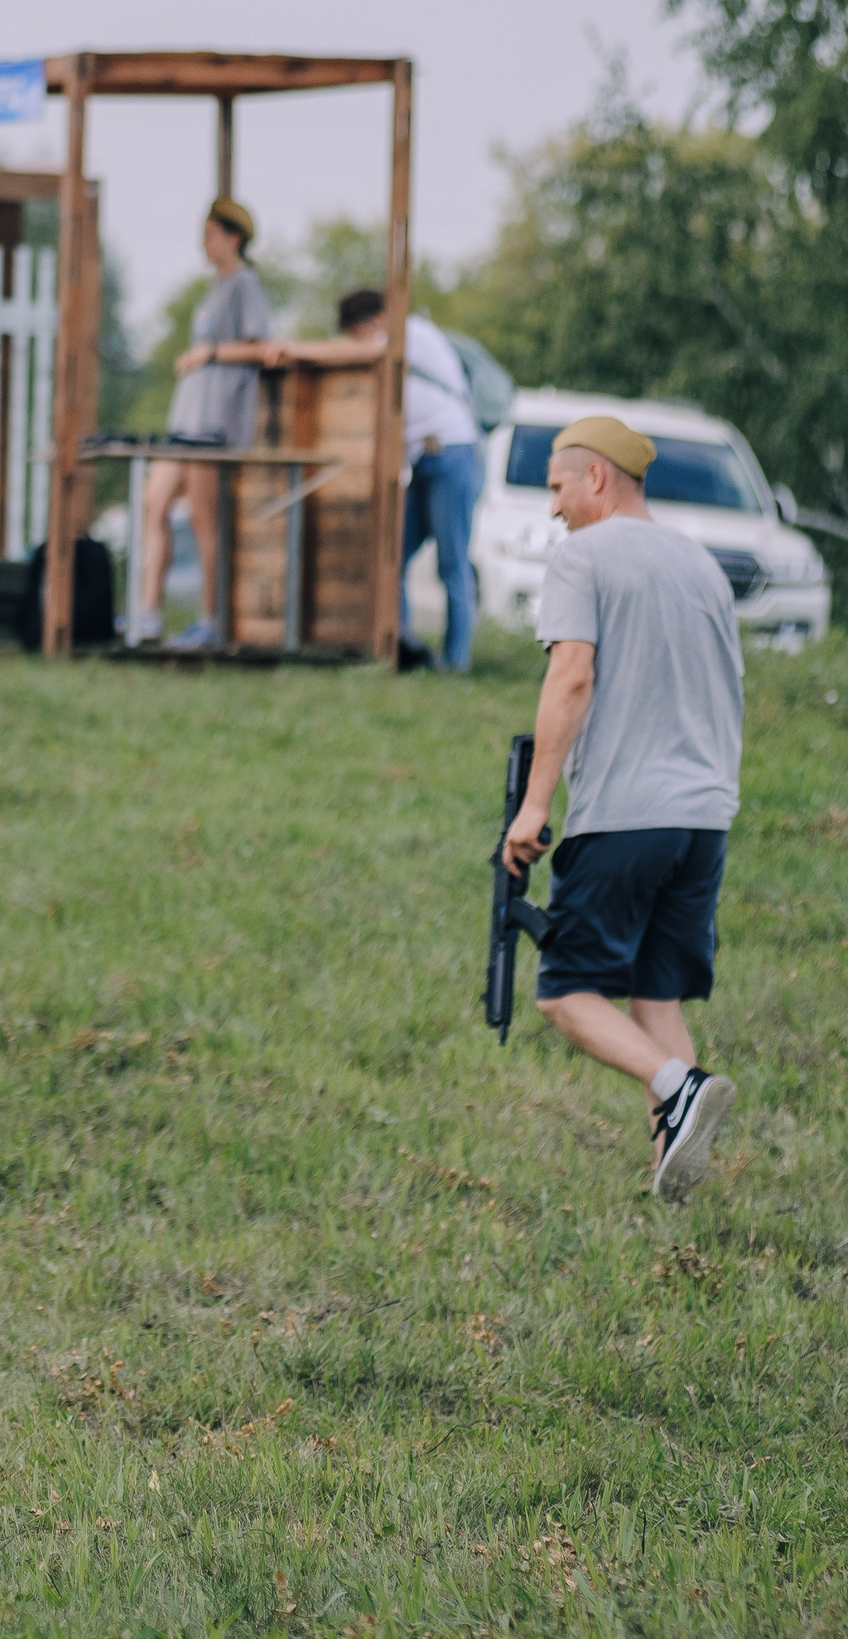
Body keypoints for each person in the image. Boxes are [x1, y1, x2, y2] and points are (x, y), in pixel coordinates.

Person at [501, 417, 742, 1201]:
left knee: (565, 991)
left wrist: (535, 805)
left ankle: (678, 1081)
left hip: (626, 810)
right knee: (656, 988)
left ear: (595, 479)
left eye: (558, 487)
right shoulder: (700, 564)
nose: (554, 508)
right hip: (704, 813)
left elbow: (571, 676)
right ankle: (673, 1173)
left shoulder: (586, 555)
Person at [265, 288, 481, 670]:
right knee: (391, 557)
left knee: (451, 562)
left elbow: (363, 351)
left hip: (452, 453)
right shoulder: (403, 335)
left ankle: (455, 662)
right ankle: (404, 649)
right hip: (426, 459)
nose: (355, 341)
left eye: (356, 332)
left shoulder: (409, 332)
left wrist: (295, 350)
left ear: (376, 320)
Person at [133, 198, 273, 649]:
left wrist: (208, 355)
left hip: (215, 424)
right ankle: (148, 613)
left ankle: (211, 620)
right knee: (153, 504)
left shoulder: (245, 286)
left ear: (233, 238)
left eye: (211, 234)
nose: (203, 243)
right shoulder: (213, 289)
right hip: (185, 420)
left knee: (203, 519)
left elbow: (260, 348)